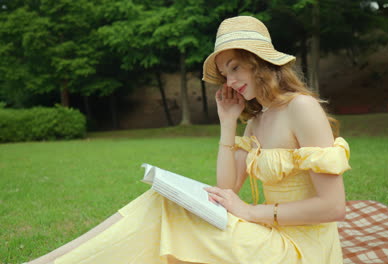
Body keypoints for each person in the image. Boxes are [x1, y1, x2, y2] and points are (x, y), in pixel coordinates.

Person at [28, 16, 350, 264]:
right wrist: (227, 124)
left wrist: (251, 214)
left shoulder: (302, 108)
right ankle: (56, 259)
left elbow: (334, 206)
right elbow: (227, 190)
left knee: (166, 213)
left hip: (301, 251)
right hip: (268, 233)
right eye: (225, 74)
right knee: (161, 200)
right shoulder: (257, 120)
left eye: (235, 67)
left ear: (260, 62)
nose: (231, 81)